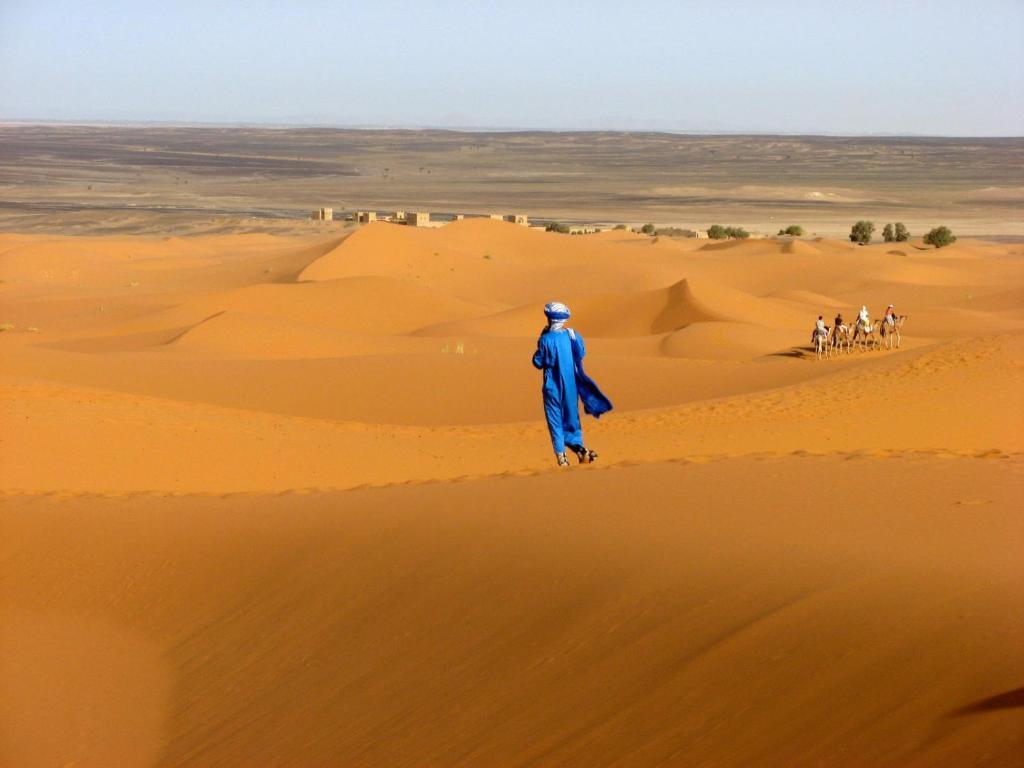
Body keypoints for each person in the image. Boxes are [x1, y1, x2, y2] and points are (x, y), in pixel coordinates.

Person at [532, 302, 613, 466]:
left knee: (555, 421)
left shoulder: (545, 340)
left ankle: (562, 459)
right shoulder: (573, 335)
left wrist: (542, 339)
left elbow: (537, 361)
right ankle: (581, 450)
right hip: (570, 387)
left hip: (552, 388)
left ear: (549, 319)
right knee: (572, 420)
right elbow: (581, 353)